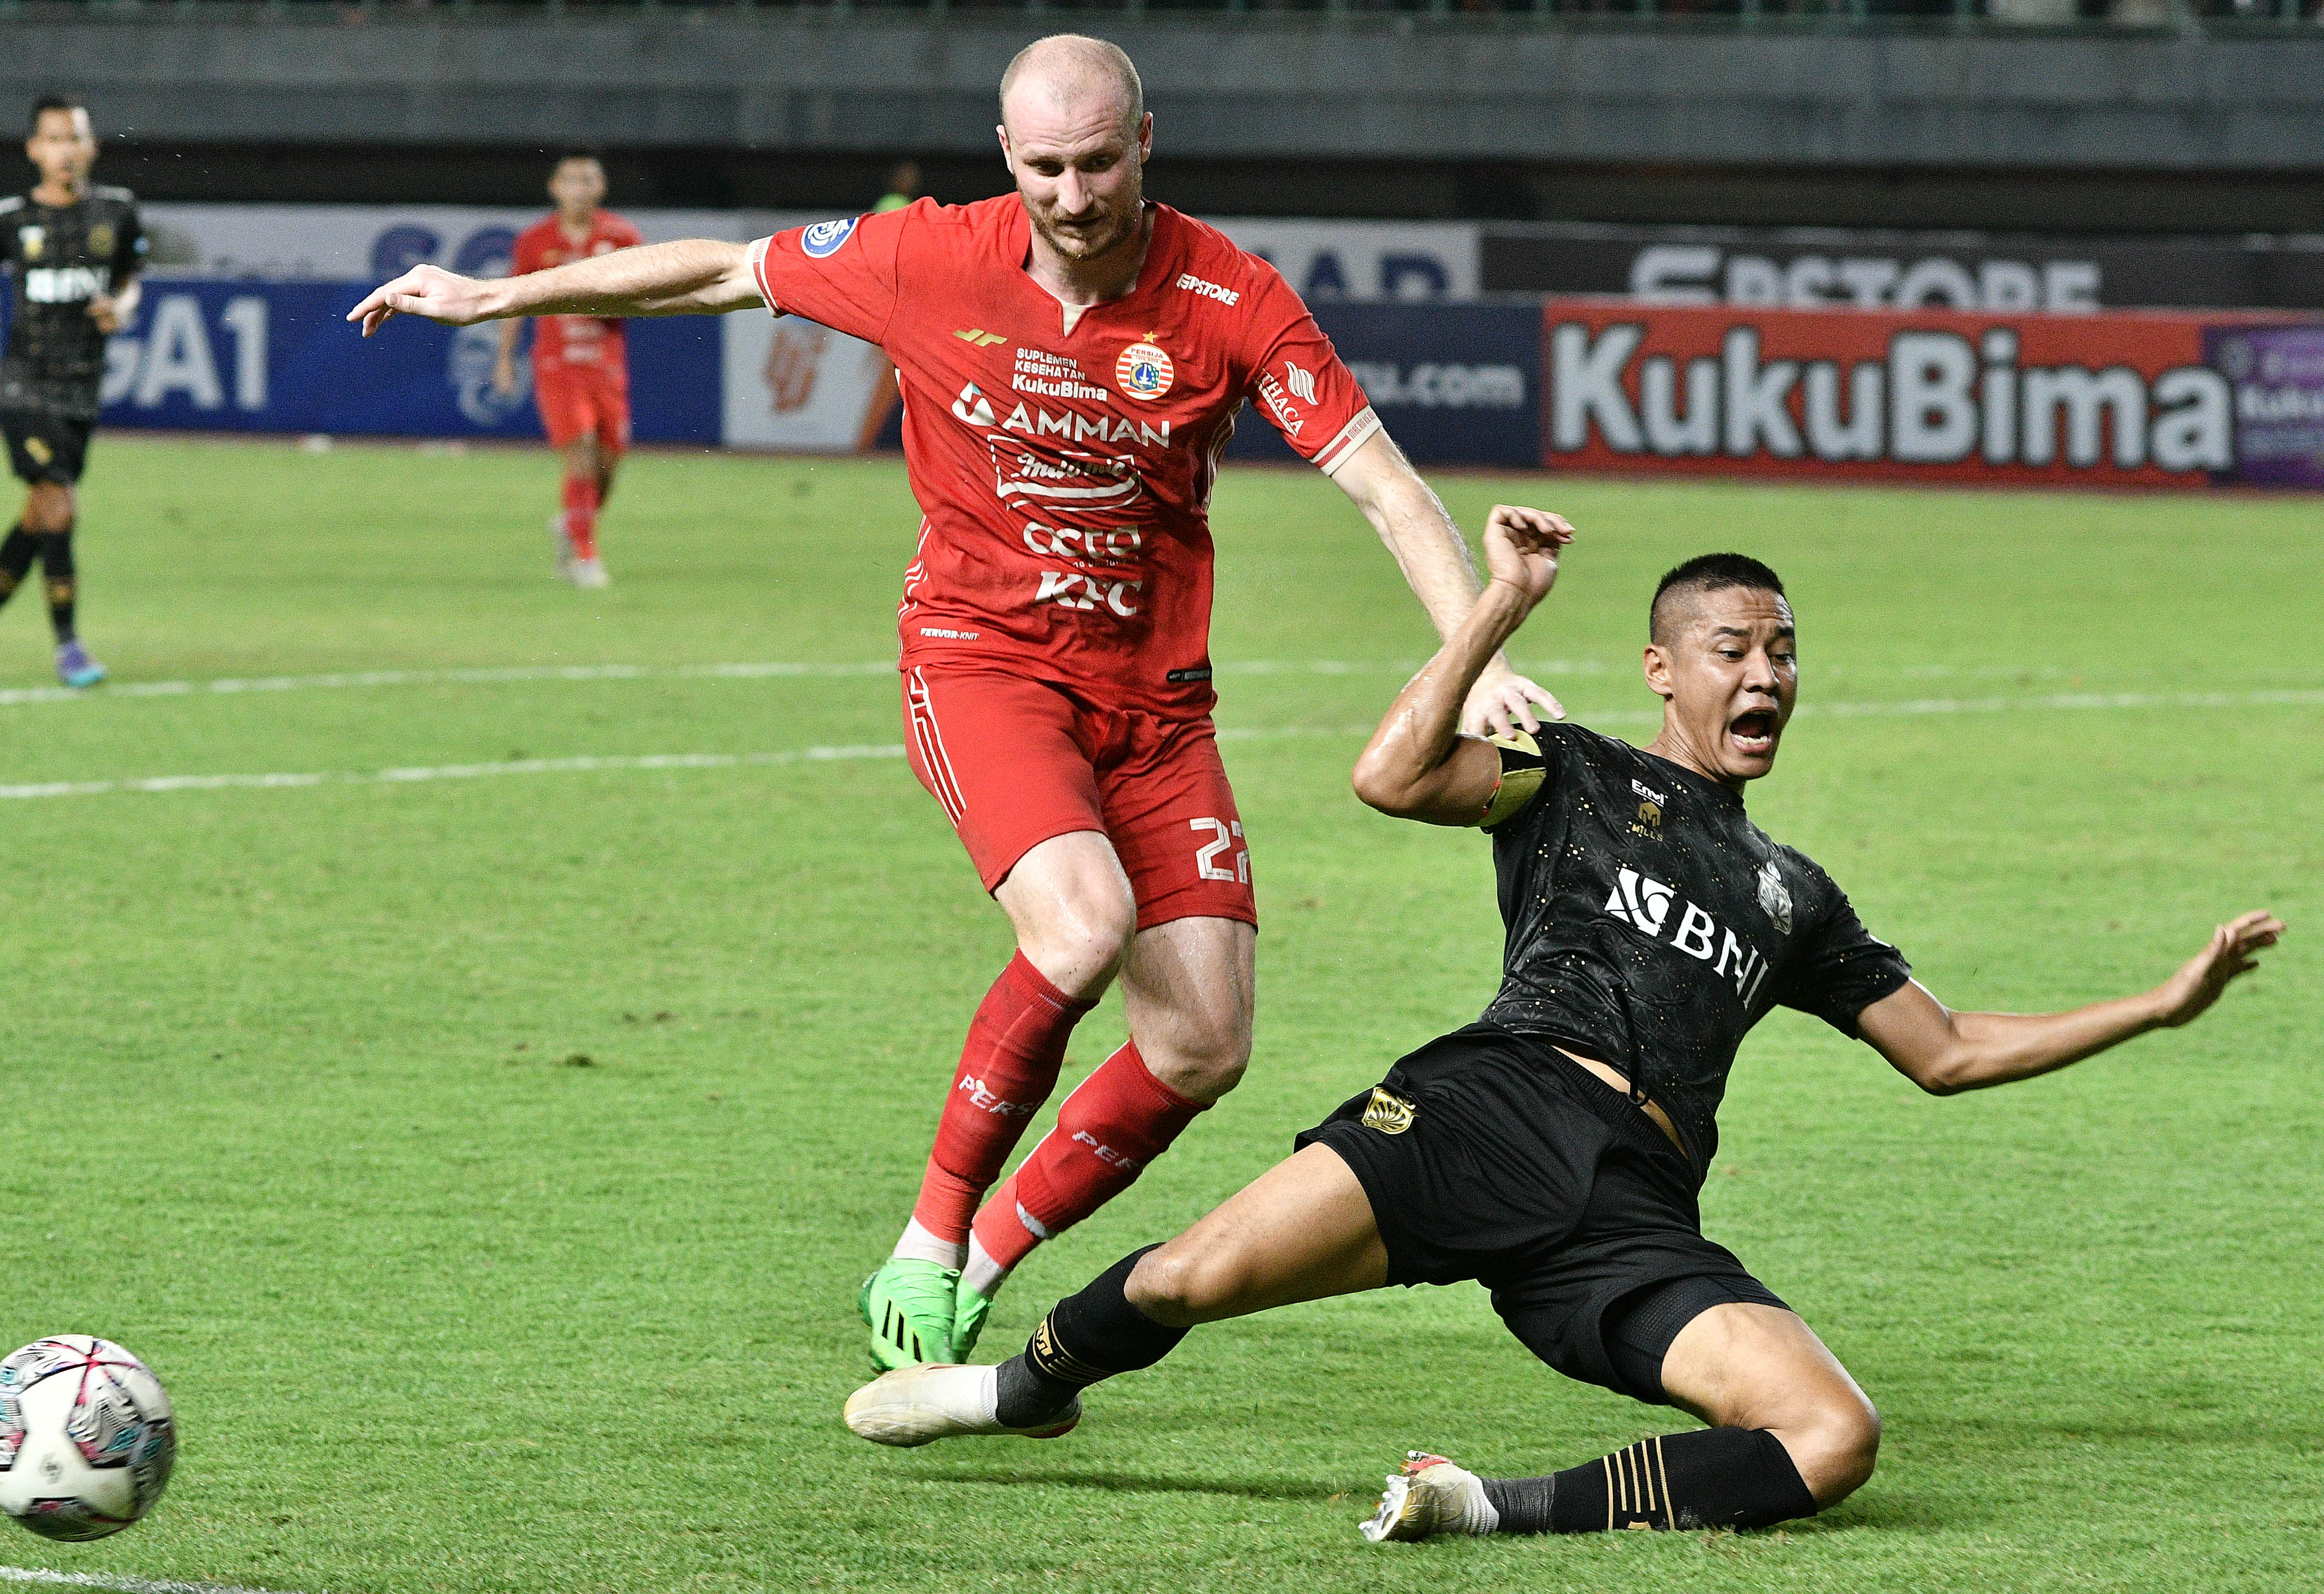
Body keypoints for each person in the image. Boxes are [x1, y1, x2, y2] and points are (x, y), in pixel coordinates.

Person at [348, 34, 1561, 1376]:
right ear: (1006, 158)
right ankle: (925, 1239)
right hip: (981, 665)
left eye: (1097, 162)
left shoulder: (1229, 294)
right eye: (1044, 165)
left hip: (1155, 707)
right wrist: (490, 298)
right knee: (1084, 924)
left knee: (1203, 1042)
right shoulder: (926, 253)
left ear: (1143, 143)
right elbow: (715, 269)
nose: (1073, 193)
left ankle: (982, 1266)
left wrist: (1477, 642)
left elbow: (1382, 482)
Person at [839, 511, 2286, 1544]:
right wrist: (1494, 610)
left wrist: (2158, 1002)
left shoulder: (1795, 891)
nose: (1766, 672)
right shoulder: (1574, 772)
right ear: (1664, 668)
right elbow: (1387, 776)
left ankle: (1483, 1503)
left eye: (1782, 649)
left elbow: (1948, 1045)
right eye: (1733, 647)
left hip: (1632, 1208)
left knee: (1832, 1435)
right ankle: (1012, 1388)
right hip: (1483, 1108)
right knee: (1187, 1275)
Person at [0, 94, 145, 690]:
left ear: (92, 147)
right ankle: (69, 647)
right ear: (35, 149)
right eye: (54, 139)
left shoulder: (117, 211)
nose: (65, 150)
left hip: (81, 385)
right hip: (24, 383)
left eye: (75, 139)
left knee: (40, 512)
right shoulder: (8, 217)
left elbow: (131, 276)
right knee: (60, 502)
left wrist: (120, 305)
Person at [493, 154, 642, 590]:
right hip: (557, 366)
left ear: (602, 188)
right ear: (555, 188)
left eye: (590, 179)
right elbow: (513, 300)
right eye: (572, 179)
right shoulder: (536, 240)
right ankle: (586, 557)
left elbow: (649, 291)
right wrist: (504, 359)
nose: (581, 186)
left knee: (609, 464)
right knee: (580, 452)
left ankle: (574, 525)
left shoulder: (622, 236)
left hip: (607, 366)